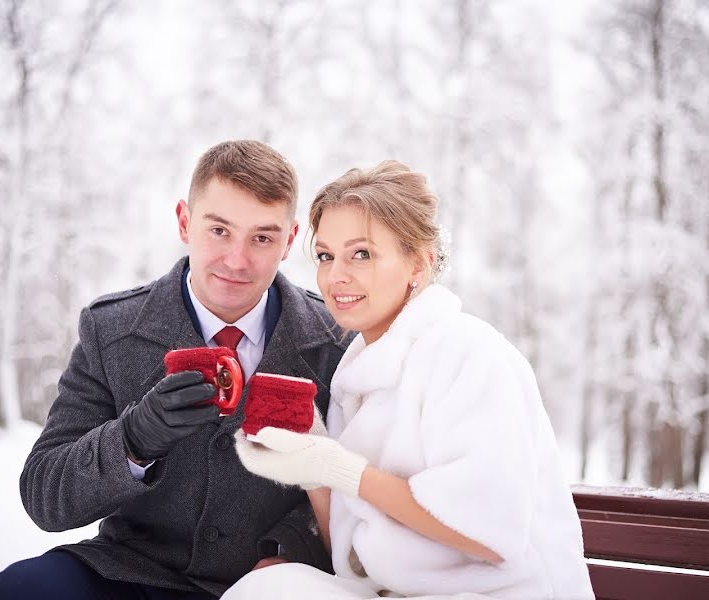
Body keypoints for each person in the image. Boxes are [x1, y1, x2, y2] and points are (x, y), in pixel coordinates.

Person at [0, 140, 349, 599]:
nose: (237, 260)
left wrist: (288, 548)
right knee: (21, 590)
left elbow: (356, 488)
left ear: (289, 240)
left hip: (271, 580)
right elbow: (44, 495)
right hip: (134, 573)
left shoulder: (339, 343)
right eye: (219, 230)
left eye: (262, 237)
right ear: (184, 221)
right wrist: (133, 440)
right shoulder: (111, 329)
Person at [225, 161, 595, 599]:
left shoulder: (470, 353)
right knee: (267, 589)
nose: (335, 275)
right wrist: (312, 469)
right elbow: (350, 555)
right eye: (326, 256)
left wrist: (338, 468)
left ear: (419, 263)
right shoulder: (357, 376)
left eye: (361, 254)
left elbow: (488, 531)